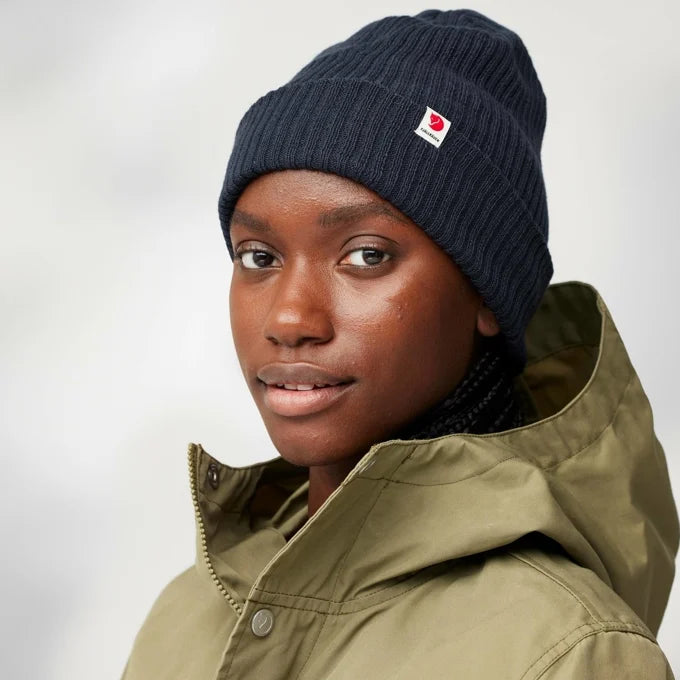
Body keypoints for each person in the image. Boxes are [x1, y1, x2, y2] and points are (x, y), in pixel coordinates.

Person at [122, 9, 679, 679]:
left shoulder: (565, 651)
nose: (290, 318)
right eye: (258, 257)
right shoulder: (186, 614)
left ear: (486, 294)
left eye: (366, 255)